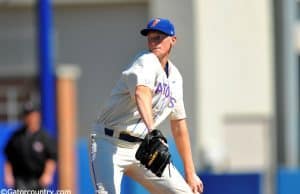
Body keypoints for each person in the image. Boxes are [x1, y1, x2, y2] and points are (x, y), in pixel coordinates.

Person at [89, 18, 204, 194]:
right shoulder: (145, 61)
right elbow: (142, 93)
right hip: (108, 142)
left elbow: (179, 125)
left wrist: (190, 172)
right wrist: (152, 132)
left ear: (173, 40)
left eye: (159, 37)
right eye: (150, 37)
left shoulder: (175, 78)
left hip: (142, 147)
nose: (153, 41)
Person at [4, 103, 57, 190]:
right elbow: (9, 157)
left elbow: (52, 157)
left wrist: (47, 174)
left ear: (37, 116)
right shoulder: (17, 136)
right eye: (27, 115)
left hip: (38, 179)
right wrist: (8, 175)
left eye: (32, 115)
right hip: (20, 179)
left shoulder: (44, 137)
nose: (30, 118)